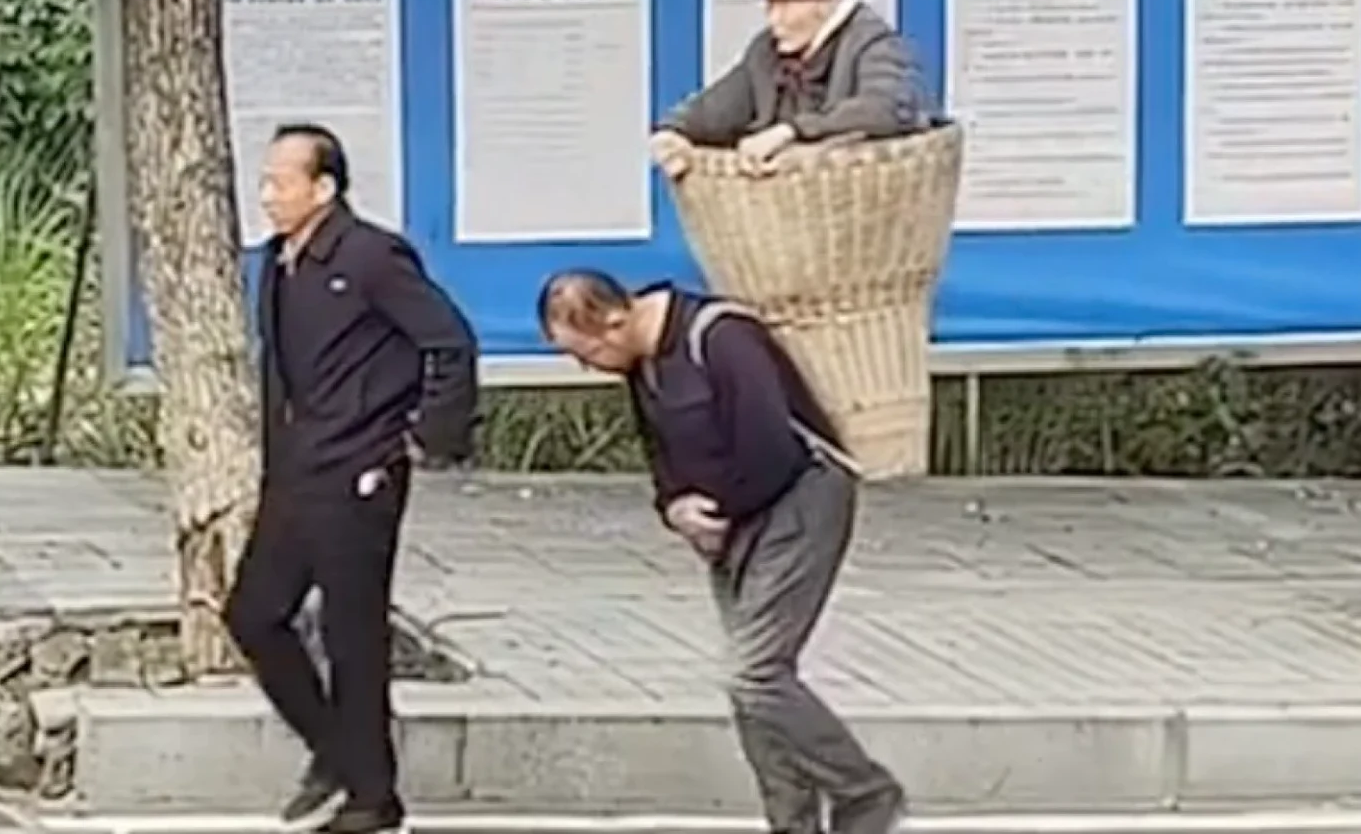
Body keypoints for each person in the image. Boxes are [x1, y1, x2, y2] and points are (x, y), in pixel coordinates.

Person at [538, 269, 906, 834]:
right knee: (754, 691)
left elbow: (767, 445)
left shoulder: (721, 337)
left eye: (586, 353)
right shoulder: (644, 365)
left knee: (753, 674)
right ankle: (791, 819)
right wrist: (674, 508)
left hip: (798, 498)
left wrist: (719, 514)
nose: (588, 368)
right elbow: (659, 450)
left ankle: (863, 791)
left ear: (613, 321)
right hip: (729, 519)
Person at [223, 123, 478, 834]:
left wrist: (429, 435)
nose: (269, 194)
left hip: (359, 470)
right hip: (296, 469)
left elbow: (449, 339)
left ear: (324, 187)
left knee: (352, 631)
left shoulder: (371, 255)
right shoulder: (279, 260)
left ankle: (374, 796)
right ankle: (339, 753)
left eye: (282, 180)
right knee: (253, 612)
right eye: (267, 179)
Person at [652, 0, 933, 180]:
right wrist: (674, 131)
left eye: (787, 6)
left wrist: (792, 131)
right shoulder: (766, 53)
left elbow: (886, 107)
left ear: (825, 2)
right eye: (771, 6)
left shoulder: (875, 44)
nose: (775, 20)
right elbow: (717, 107)